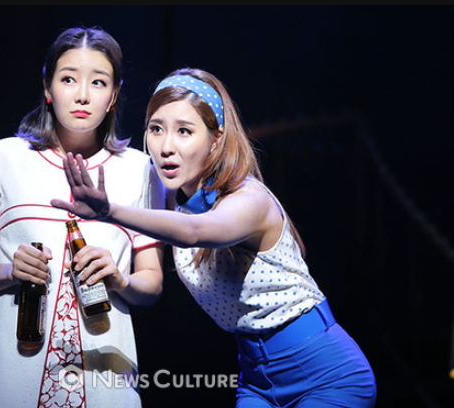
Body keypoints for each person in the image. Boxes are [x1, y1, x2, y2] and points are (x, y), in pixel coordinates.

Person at [51, 67, 377, 407]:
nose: (166, 147)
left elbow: (195, 232)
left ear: (216, 140)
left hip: (326, 375)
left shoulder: (249, 199)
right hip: (256, 378)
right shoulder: (172, 197)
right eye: (156, 129)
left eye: (184, 131)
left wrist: (109, 210)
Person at [0, 26, 165, 408]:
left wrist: (120, 278)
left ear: (114, 95)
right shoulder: (2, 158)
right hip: (14, 374)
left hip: (104, 377)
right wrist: (10, 271)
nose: (82, 94)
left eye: (98, 82)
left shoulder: (140, 170)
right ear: (48, 88)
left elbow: (152, 283)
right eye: (68, 79)